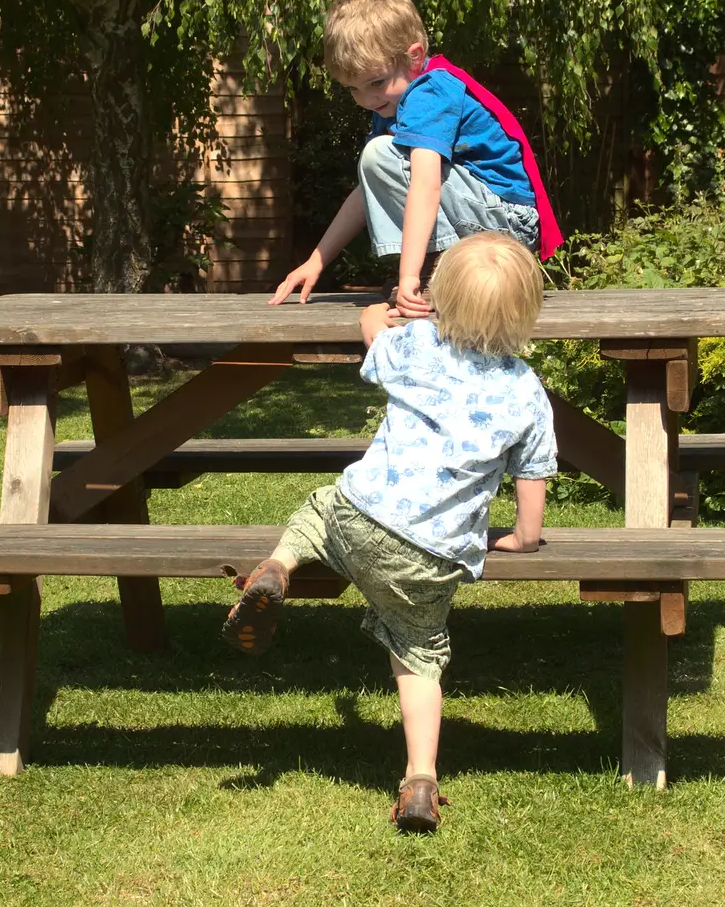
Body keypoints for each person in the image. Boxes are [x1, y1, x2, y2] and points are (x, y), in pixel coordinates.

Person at [225, 233, 558, 833]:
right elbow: (531, 493)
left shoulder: (418, 344)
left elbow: (371, 327)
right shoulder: (527, 392)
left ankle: (278, 567)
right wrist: (520, 539)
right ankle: (421, 778)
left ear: (440, 299)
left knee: (315, 511)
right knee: (419, 654)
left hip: (357, 517)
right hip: (427, 558)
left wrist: (380, 310)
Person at [270, 0, 563, 319]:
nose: (367, 100)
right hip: (486, 216)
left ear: (414, 57)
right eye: (353, 89)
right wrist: (315, 261)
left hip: (509, 225)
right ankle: (434, 273)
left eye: (376, 83)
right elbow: (367, 189)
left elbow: (426, 184)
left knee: (379, 154)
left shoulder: (429, 93)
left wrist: (408, 275)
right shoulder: (394, 102)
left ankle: (433, 275)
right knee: (377, 158)